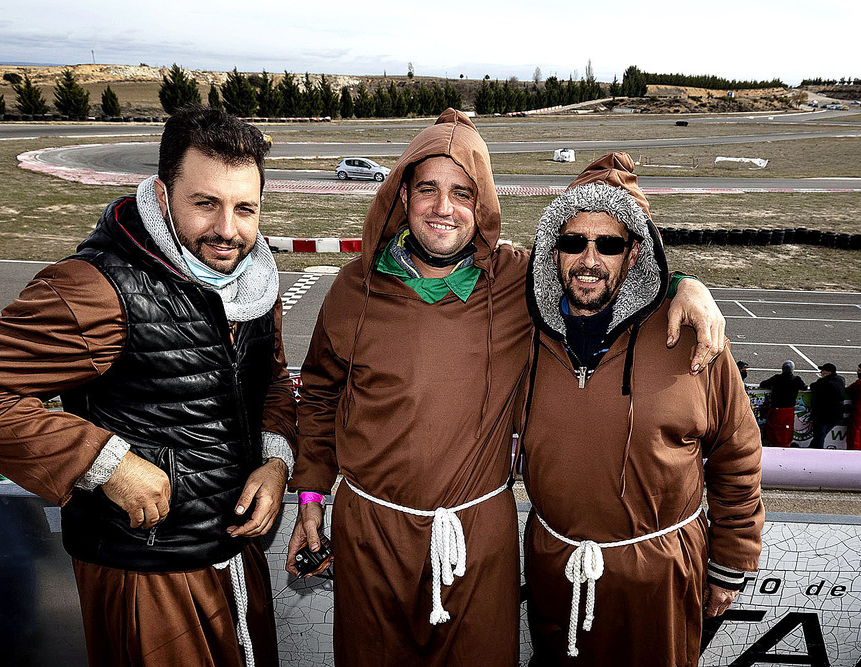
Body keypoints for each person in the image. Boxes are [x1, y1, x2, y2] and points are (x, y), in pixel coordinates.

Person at [285, 111, 727, 665]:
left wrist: (686, 285)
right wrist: (308, 498)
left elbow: (598, 271)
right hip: (371, 532)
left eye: (462, 193)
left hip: (477, 536)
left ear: (484, 203)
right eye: (427, 189)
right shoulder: (352, 287)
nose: (443, 208)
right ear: (401, 196)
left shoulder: (519, 281)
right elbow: (321, 394)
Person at [0, 107, 297, 667]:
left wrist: (275, 461)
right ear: (163, 197)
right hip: (146, 575)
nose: (228, 229)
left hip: (235, 558)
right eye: (205, 203)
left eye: (246, 208)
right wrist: (106, 462)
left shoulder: (253, 280)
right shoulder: (97, 287)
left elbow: (271, 384)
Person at [520, 153, 763, 666]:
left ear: (635, 253)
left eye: (609, 244)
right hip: (556, 569)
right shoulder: (523, 334)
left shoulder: (691, 338)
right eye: (573, 241)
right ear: (552, 249)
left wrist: (731, 562)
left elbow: (736, 453)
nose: (589, 259)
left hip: (661, 577)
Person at [759, 361, 808, 447]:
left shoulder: (777, 378)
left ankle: (775, 443)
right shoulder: (796, 379)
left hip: (777, 408)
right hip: (789, 409)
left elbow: (763, 384)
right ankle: (784, 444)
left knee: (775, 427)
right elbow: (804, 387)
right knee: (786, 429)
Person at [808, 363, 846, 449]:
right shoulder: (840, 380)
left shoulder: (823, 382)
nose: (821, 372)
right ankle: (812, 449)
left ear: (828, 372)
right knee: (821, 436)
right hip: (836, 415)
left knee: (819, 437)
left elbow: (813, 386)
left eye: (823, 370)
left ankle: (816, 453)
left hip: (823, 415)